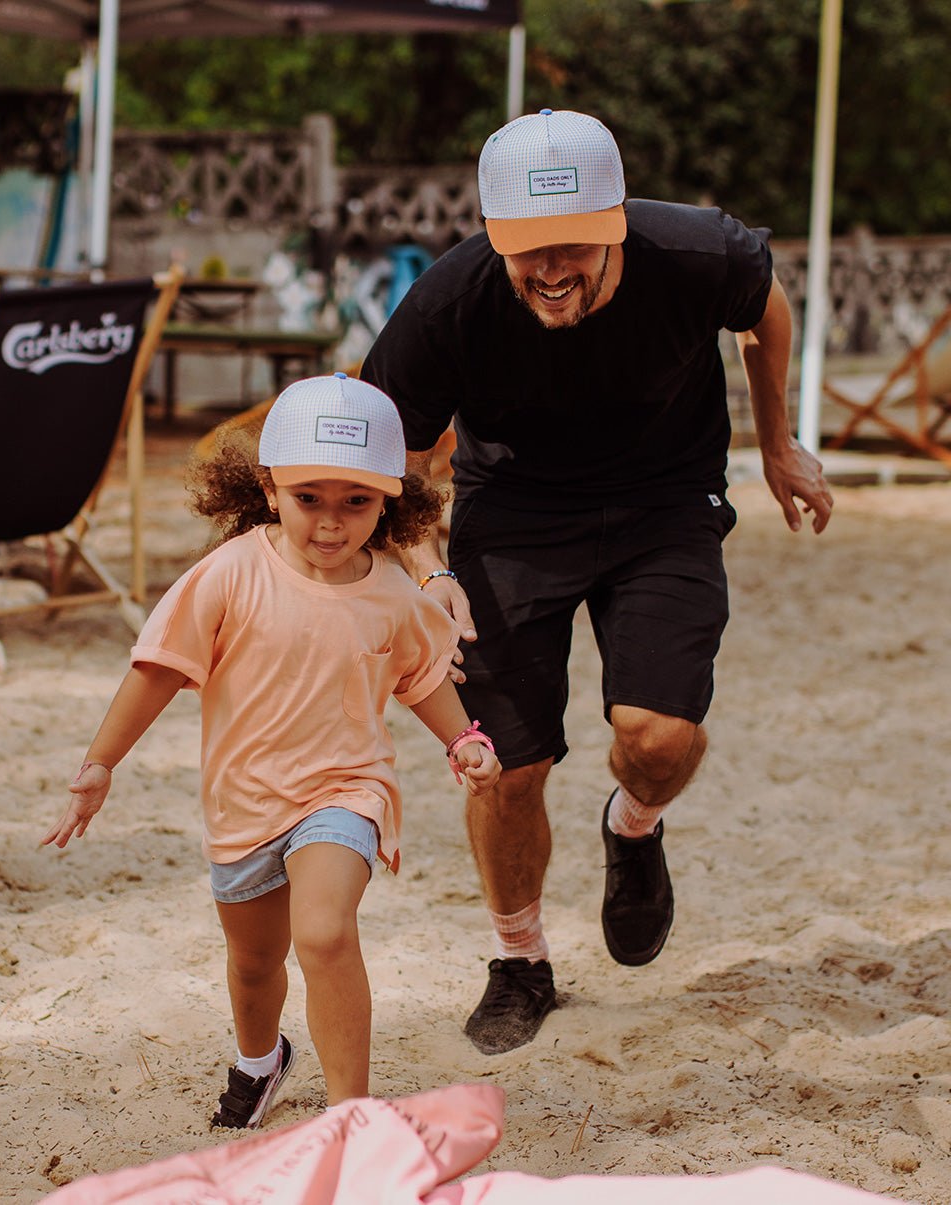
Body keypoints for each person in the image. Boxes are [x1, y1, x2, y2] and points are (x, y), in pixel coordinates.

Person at [360, 108, 834, 1056]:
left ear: (617, 219)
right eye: (526, 248)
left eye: (572, 242)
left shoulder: (700, 252)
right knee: (507, 764)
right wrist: (433, 570)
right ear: (497, 236)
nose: (550, 268)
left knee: (658, 738)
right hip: (514, 514)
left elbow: (766, 311)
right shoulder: (449, 303)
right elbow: (394, 455)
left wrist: (778, 442)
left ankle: (634, 826)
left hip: (667, 501)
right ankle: (520, 960)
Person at [41, 372, 501, 1128]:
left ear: (391, 499)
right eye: (308, 498)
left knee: (322, 930)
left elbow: (420, 676)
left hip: (346, 791)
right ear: (268, 486)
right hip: (244, 803)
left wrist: (465, 739)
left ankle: (353, 1115)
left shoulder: (392, 591)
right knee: (255, 965)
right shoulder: (229, 574)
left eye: (356, 501)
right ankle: (261, 1058)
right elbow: (157, 668)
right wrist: (100, 763)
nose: (330, 522)